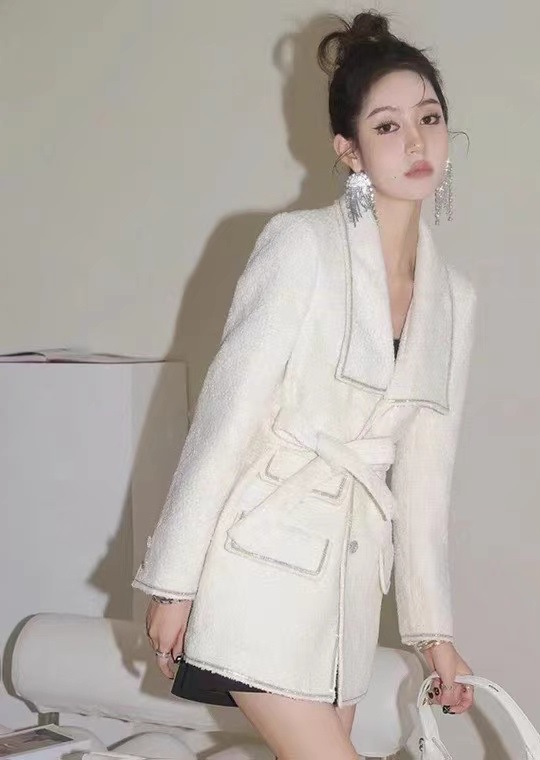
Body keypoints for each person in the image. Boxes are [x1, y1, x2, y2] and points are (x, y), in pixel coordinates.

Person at [132, 10, 477, 759]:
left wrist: (434, 634)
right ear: (348, 149)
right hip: (258, 567)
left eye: (429, 118)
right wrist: (173, 581)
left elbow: (426, 481)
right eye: (387, 126)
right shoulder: (301, 246)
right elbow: (226, 421)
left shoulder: (455, 301)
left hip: (348, 593)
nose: (416, 141)